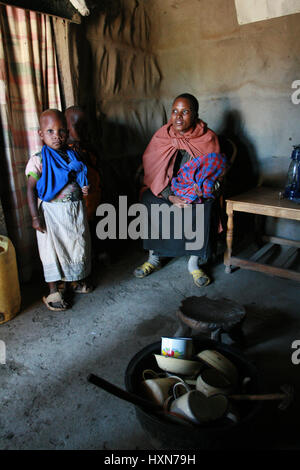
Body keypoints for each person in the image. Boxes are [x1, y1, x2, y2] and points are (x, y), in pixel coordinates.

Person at [133, 93, 227, 287]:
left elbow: (217, 174)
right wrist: (170, 195)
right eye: (175, 111)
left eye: (185, 112)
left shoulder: (208, 138)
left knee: (202, 206)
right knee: (150, 200)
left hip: (193, 191)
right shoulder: (163, 135)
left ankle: (194, 263)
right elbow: (152, 170)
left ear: (195, 115)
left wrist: (203, 190)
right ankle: (154, 258)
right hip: (167, 188)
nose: (178, 117)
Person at [26, 109, 92, 311]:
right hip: (51, 215)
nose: (57, 136)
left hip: (73, 211)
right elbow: (30, 189)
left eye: (61, 131)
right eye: (50, 131)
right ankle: (54, 290)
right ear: (40, 134)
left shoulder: (72, 154)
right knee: (52, 251)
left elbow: (79, 175)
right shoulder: (39, 159)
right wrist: (34, 217)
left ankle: (75, 280)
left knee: (76, 245)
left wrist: (84, 186)